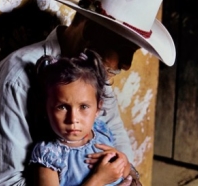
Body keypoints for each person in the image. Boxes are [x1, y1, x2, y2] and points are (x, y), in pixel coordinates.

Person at [0, 0, 176, 185]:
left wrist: (127, 172)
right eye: (123, 50)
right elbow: (7, 182)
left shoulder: (92, 72)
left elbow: (116, 132)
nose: (126, 65)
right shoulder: (18, 80)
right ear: (90, 33)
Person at [30, 49, 130, 186]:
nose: (73, 119)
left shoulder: (101, 131)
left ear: (98, 108)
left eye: (83, 107)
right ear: (46, 108)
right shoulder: (49, 155)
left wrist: (123, 161)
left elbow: (123, 173)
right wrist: (98, 180)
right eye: (62, 107)